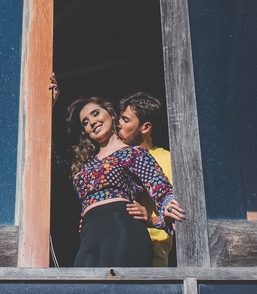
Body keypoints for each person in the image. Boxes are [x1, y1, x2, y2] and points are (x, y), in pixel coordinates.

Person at [65, 96, 175, 267]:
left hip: (122, 229)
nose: (92, 122)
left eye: (96, 114)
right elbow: (46, 159)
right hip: (89, 236)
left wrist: (159, 218)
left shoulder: (133, 153)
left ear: (111, 114)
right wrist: (48, 103)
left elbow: (162, 190)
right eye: (85, 122)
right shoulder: (84, 164)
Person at [118, 92, 186, 266]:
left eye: (125, 120)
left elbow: (181, 214)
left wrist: (149, 219)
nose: (118, 125)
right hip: (116, 250)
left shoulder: (167, 159)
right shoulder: (114, 159)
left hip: (152, 254)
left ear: (145, 127)